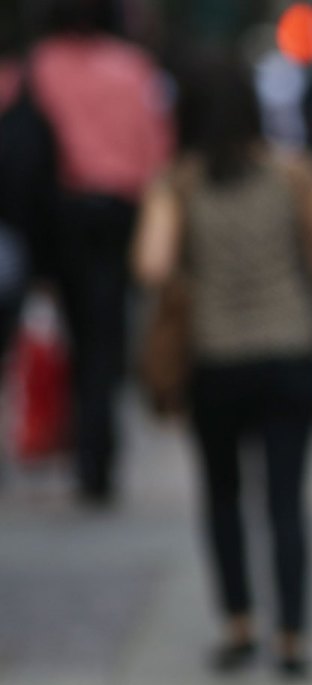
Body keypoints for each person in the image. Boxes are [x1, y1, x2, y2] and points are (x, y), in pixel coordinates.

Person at [132, 50, 312, 679]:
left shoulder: (179, 183)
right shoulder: (296, 174)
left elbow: (150, 266)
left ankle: (237, 624)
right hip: (290, 353)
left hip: (216, 359)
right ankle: (293, 637)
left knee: (222, 495)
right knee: (287, 499)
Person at [30, 0, 173, 502]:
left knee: (79, 333)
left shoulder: (41, 64)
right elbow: (157, 151)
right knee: (107, 335)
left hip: (63, 214)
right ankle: (100, 451)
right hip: (118, 212)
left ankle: (89, 453)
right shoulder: (132, 67)